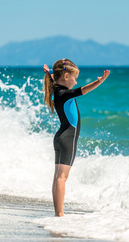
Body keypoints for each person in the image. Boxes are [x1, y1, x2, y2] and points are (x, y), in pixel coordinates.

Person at [43, 58, 110, 217]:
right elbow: (83, 90)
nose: (76, 81)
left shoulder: (56, 90)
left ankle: (57, 213)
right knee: (62, 178)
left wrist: (50, 73)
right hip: (68, 138)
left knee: (58, 177)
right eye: (75, 77)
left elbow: (55, 78)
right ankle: (59, 214)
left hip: (60, 136)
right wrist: (100, 81)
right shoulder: (64, 93)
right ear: (66, 76)